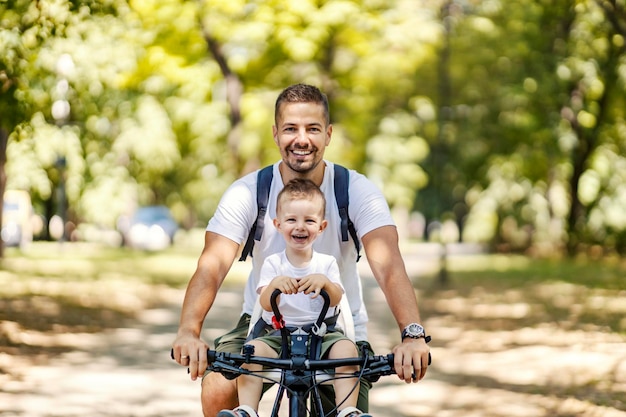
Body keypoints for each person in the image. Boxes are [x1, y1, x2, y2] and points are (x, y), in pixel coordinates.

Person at [172, 83, 430, 417]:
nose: (302, 139)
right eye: (291, 128)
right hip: (264, 321)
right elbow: (212, 265)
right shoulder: (249, 192)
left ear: (328, 134)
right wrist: (188, 332)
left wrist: (412, 335)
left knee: (346, 406)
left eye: (313, 128)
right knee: (220, 384)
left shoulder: (356, 191)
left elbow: (389, 265)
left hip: (336, 326)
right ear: (276, 134)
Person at [218, 178, 372, 417]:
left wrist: (326, 284)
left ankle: (347, 410)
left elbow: (337, 298)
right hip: (280, 335)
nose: (300, 227)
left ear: (321, 227)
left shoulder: (326, 263)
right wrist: (275, 287)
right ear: (278, 224)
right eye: (291, 220)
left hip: (323, 334)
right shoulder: (274, 263)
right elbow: (264, 304)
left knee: (347, 351)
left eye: (309, 220)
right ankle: (247, 409)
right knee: (251, 351)